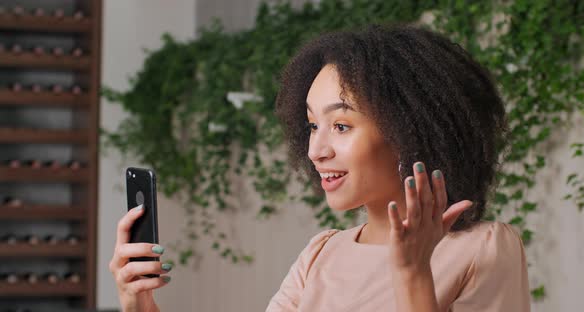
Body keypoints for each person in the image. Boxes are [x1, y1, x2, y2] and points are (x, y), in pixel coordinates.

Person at [110, 24, 530, 312]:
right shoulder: (321, 254)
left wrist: (413, 274)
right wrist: (139, 304)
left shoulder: (484, 249)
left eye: (341, 125)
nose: (315, 149)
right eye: (313, 125)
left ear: (410, 130)